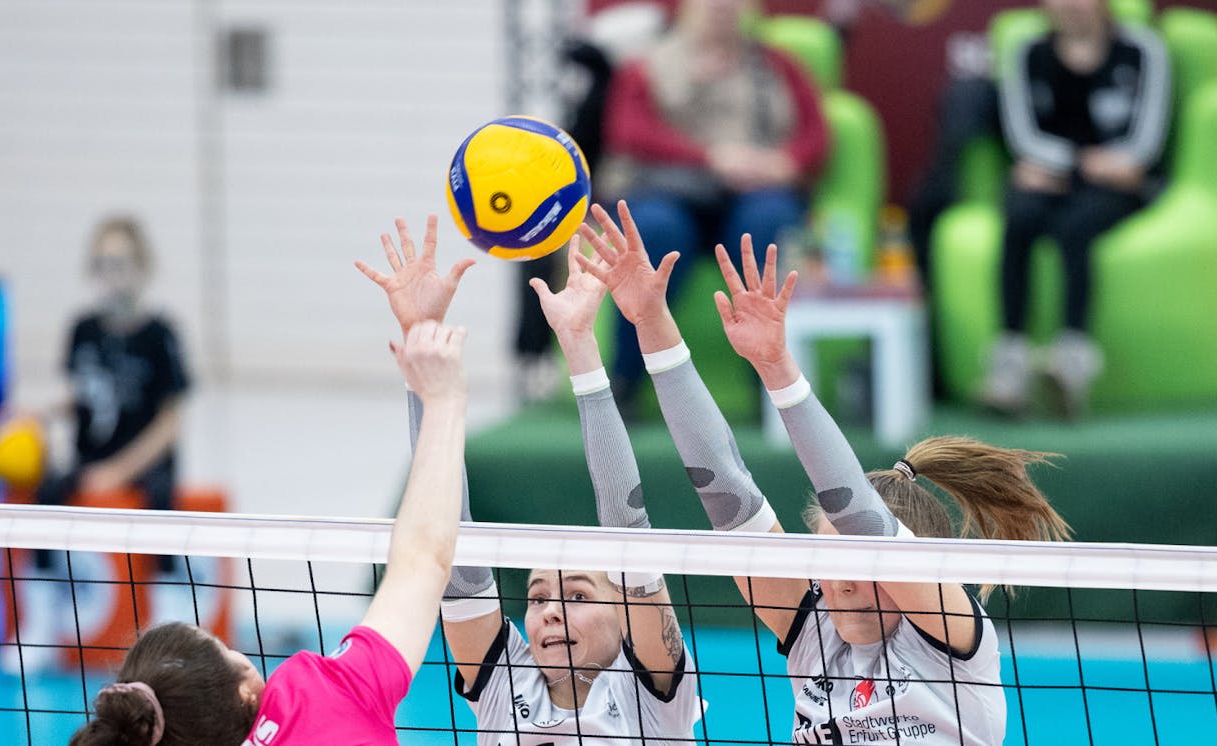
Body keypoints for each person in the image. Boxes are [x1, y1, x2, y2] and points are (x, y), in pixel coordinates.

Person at [577, 200, 1071, 744]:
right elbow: (725, 486)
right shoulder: (815, 633)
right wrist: (651, 321)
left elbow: (854, 508)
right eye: (826, 558)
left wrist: (778, 369)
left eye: (856, 559)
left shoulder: (953, 642)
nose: (839, 579)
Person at [68, 219, 471, 746]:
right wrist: (443, 398)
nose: (241, 653)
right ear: (244, 693)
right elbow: (423, 560)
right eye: (223, 649)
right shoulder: (317, 695)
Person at [359, 218, 701, 744]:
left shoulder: (652, 694)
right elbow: (449, 533)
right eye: (538, 598)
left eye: (581, 598)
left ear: (627, 614)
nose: (550, 615)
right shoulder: (505, 684)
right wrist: (421, 344)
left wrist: (580, 344)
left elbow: (626, 521)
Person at [599, 0, 829, 409]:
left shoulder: (779, 65)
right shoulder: (647, 65)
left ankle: (772, 382)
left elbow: (815, 135)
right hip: (673, 192)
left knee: (769, 222)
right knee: (651, 230)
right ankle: (625, 379)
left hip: (754, 194)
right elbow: (628, 132)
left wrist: (784, 164)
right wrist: (711, 158)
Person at [7, 217, 193, 673]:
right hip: (92, 455)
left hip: (145, 460)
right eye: (103, 263)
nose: (112, 273)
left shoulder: (160, 334)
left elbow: (170, 423)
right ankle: (43, 619)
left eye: (122, 262)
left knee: (162, 495)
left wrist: (120, 472)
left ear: (143, 267)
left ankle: (170, 623)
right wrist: (35, 413)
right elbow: (83, 395)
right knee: (47, 489)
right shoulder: (83, 329)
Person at [984, 0, 1170, 417]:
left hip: (1117, 184)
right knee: (1020, 217)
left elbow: (1147, 141)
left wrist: (1093, 168)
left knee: (1077, 226)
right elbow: (1022, 135)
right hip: (1054, 176)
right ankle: (1009, 365)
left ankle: (1071, 364)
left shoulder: (1144, 49)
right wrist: (1077, 164)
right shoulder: (1027, 51)